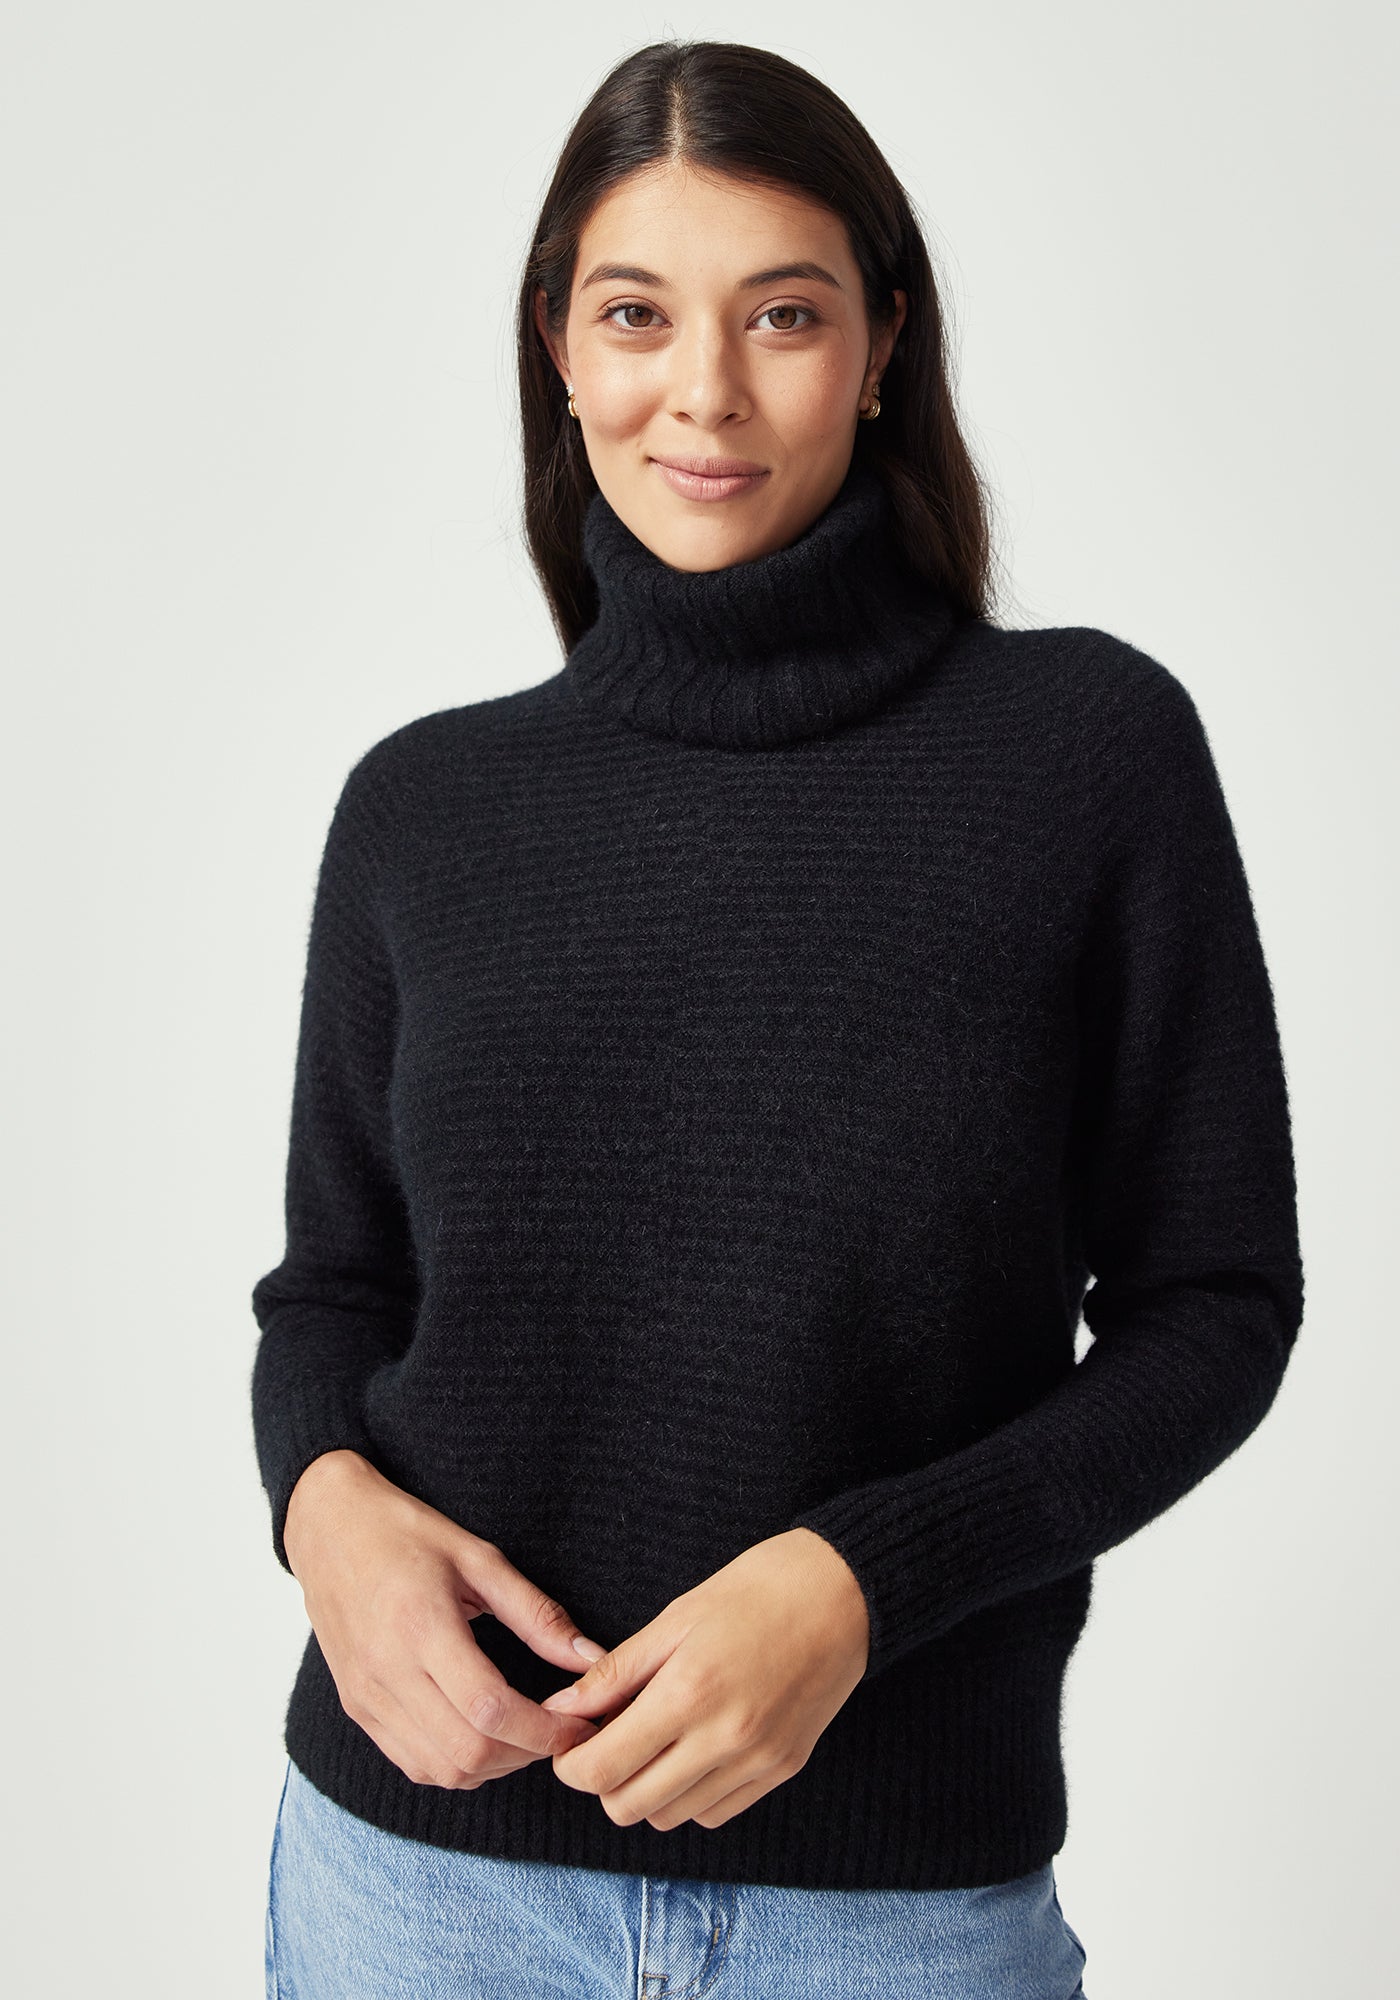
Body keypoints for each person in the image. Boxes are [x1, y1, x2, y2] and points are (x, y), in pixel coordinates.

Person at [250, 38, 1303, 2000]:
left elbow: (1214, 1309)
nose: (706, 392)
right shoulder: (426, 805)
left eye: (786, 315)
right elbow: (332, 1292)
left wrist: (858, 1584)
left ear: (885, 341)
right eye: (636, 314)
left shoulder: (1083, 754)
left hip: (890, 1909)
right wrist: (323, 1515)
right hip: (413, 1885)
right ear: (559, 349)